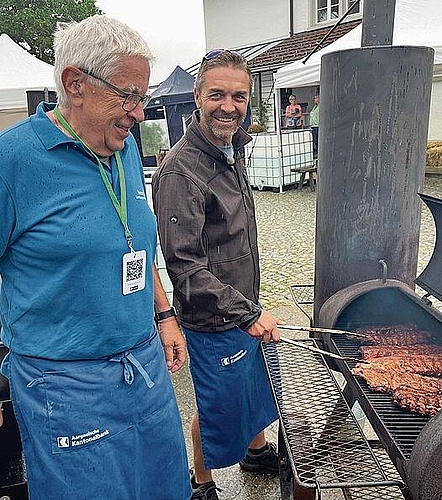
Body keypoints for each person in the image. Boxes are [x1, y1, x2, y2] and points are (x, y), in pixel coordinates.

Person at [0, 15, 191, 500]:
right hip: (62, 384)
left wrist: (164, 314)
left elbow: (135, 243)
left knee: (166, 488)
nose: (139, 114)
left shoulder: (122, 146)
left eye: (142, 98)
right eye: (128, 96)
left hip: (144, 365)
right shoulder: (12, 161)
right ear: (75, 84)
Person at [152, 49, 283, 500]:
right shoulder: (182, 170)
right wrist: (246, 313)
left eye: (239, 96)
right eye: (218, 95)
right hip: (214, 316)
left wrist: (251, 308)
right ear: (197, 96)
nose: (229, 106)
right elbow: (185, 267)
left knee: (252, 386)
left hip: (244, 304)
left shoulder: (233, 149)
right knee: (216, 402)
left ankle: (256, 450)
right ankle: (202, 481)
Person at [310, 94, 320, 158]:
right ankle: (316, 151)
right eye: (314, 98)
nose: (314, 99)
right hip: (313, 125)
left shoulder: (320, 106)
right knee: (314, 139)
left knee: (317, 139)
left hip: (317, 125)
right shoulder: (315, 106)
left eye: (316, 98)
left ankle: (318, 151)